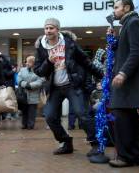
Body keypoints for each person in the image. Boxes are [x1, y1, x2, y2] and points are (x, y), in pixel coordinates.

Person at [34, 18, 103, 156]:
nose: (48, 31)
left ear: (57, 29)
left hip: (73, 85)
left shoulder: (69, 43)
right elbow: (39, 70)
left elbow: (85, 60)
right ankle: (66, 142)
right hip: (55, 88)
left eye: (51, 28)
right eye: (46, 28)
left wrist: (101, 75)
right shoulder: (41, 47)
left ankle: (95, 144)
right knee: (50, 116)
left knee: (81, 114)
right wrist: (48, 61)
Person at [107, 0, 139, 167]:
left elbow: (137, 52)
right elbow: (127, 51)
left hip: (128, 83)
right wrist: (114, 41)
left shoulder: (133, 23)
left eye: (116, 7)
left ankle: (126, 157)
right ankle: (137, 157)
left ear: (126, 7)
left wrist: (123, 73)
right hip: (127, 83)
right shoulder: (128, 24)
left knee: (122, 118)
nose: (114, 10)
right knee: (129, 119)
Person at [18, 56, 44, 130]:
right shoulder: (22, 70)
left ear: (33, 63)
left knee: (32, 111)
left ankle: (30, 125)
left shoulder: (38, 70)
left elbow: (40, 81)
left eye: (29, 62)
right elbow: (19, 79)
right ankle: (24, 124)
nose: (27, 63)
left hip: (34, 93)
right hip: (24, 94)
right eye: (26, 62)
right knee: (24, 110)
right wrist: (25, 84)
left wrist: (31, 85)